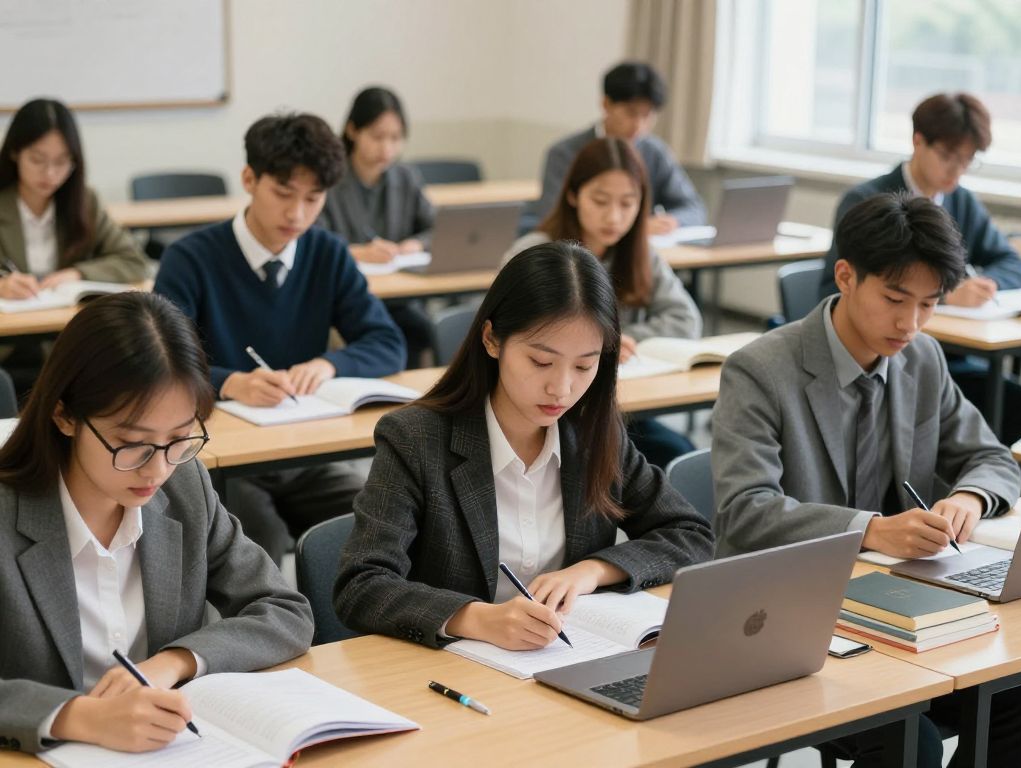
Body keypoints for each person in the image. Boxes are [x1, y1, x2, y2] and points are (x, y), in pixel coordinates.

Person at [714, 192, 1021, 767]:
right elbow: (744, 510)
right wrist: (874, 530)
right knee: (910, 740)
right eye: (895, 299)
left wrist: (968, 497)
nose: (910, 323)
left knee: (1015, 697)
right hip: (798, 616)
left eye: (929, 304)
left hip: (903, 604)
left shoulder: (922, 358)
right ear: (846, 276)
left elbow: (992, 457)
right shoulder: (760, 370)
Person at [335, 241, 714, 650]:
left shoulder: (592, 433)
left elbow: (690, 534)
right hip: (453, 668)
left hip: (564, 659)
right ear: (492, 340)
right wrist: (477, 618)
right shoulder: (415, 439)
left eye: (584, 365)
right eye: (541, 362)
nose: (562, 388)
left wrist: (592, 570)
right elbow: (362, 584)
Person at [0, 292, 313, 755]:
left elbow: (284, 610)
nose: (158, 469)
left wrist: (174, 662)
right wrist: (77, 716)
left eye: (179, 438)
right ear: (64, 415)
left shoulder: (185, 487)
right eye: (133, 444)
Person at [154, 112, 405, 564]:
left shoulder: (327, 252)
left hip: (302, 449)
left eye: (313, 198)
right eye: (284, 193)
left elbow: (387, 342)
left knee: (375, 520)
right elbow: (161, 362)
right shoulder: (190, 258)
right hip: (225, 456)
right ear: (249, 179)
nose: (297, 214)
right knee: (258, 540)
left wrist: (328, 364)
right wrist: (232, 382)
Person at [819, 92, 1021, 441]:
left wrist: (983, 284)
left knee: (1011, 407)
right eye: (947, 157)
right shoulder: (868, 202)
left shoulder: (961, 201)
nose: (956, 171)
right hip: (883, 358)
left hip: (945, 358)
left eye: (967, 161)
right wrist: (945, 295)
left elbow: (1011, 262)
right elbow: (830, 292)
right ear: (918, 141)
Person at [505, 137, 701, 468]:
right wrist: (604, 344)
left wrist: (629, 339)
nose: (613, 216)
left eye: (628, 204)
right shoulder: (535, 253)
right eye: (600, 201)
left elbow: (686, 319)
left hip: (618, 407)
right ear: (572, 195)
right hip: (549, 408)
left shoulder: (640, 254)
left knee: (680, 451)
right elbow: (512, 329)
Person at [0, 98, 150, 392]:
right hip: (7, 349)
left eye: (61, 162)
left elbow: (134, 261)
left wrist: (77, 273)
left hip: (68, 344)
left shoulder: (84, 201)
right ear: (15, 152)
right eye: (37, 160)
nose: (50, 174)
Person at [319, 86, 435, 368]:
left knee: (421, 329)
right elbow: (315, 241)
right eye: (377, 136)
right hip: (349, 300)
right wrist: (358, 252)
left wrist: (415, 244)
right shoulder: (329, 180)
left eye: (395, 138)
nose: (387, 149)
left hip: (401, 297)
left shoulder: (406, 177)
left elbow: (436, 229)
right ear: (352, 130)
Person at [527, 61, 705, 234]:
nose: (638, 125)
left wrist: (671, 222)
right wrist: (633, 228)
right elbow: (553, 216)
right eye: (631, 113)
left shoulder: (655, 152)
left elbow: (693, 208)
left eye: (647, 115)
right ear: (606, 104)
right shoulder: (565, 153)